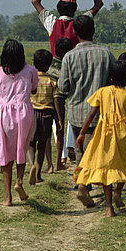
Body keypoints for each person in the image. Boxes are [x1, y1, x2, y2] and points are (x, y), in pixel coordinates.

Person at [75, 60, 126, 217]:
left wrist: (82, 133)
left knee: (106, 167)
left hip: (104, 134)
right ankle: (118, 192)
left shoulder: (102, 92)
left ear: (110, 77)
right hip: (123, 135)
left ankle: (109, 208)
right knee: (123, 162)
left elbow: (92, 113)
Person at [57, 15, 115, 201]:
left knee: (81, 149)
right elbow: (114, 81)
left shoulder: (69, 57)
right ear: (94, 30)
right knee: (93, 150)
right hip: (99, 112)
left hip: (76, 112)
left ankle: (83, 182)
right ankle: (83, 183)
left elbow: (63, 87)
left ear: (74, 32)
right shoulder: (106, 53)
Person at [0, 39, 38, 206]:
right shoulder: (30, 70)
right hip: (24, 114)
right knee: (21, 149)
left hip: (3, 116)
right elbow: (34, 89)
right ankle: (19, 181)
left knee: (6, 156)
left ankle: (7, 198)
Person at [31, 0, 103, 56]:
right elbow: (98, 4)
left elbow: (35, 1)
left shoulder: (52, 23)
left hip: (56, 66)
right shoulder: (80, 23)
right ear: (74, 9)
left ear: (58, 9)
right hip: (75, 65)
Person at [28, 49, 60, 184]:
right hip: (47, 114)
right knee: (42, 144)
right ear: (49, 65)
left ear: (34, 63)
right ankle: (38, 174)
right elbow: (56, 101)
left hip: (32, 113)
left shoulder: (30, 79)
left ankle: (31, 165)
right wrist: (59, 119)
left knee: (30, 143)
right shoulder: (52, 81)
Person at [47, 37, 74, 169]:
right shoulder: (67, 65)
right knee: (60, 129)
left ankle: (51, 163)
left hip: (46, 102)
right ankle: (60, 160)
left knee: (47, 134)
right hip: (59, 102)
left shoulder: (49, 63)